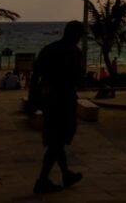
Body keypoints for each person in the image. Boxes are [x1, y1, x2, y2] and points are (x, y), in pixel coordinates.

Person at [29, 20, 85, 194]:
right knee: (57, 142)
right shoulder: (74, 52)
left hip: (49, 100)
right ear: (74, 35)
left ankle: (66, 174)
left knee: (56, 140)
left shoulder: (49, 49)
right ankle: (42, 180)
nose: (79, 40)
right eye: (79, 36)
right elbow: (78, 79)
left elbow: (35, 76)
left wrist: (33, 100)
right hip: (65, 101)